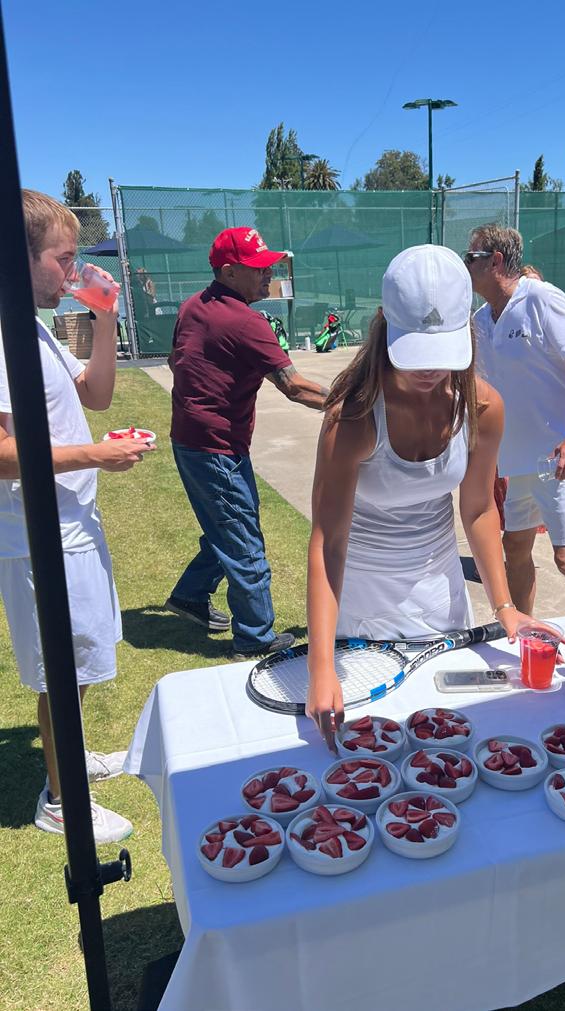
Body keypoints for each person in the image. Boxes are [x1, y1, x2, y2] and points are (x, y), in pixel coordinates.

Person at [305, 245, 557, 750]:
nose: (430, 371)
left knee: (446, 745)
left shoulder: (483, 407)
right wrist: (321, 666)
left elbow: (478, 508)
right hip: (362, 601)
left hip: (442, 599)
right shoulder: (352, 418)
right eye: (416, 352)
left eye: (442, 352)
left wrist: (504, 606)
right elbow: (328, 543)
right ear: (384, 323)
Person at [0, 190, 154, 842]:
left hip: (69, 523)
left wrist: (105, 318)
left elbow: (95, 392)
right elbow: (3, 455)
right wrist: (96, 453)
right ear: (19, 257)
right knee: (62, 668)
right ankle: (61, 800)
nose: (72, 271)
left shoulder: (32, 325)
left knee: (84, 655)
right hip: (38, 534)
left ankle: (71, 757)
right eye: (62, 259)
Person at [167, 227, 329, 660]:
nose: (268, 274)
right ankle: (255, 637)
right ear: (228, 272)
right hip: (216, 447)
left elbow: (175, 361)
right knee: (244, 542)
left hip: (190, 440)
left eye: (269, 265)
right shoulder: (247, 322)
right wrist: (358, 404)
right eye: (258, 268)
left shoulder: (191, 306)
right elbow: (295, 387)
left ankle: (189, 594)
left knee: (229, 524)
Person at [467, 224, 565, 615]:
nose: (466, 266)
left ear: (495, 261)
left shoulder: (542, 298)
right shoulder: (480, 320)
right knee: (514, 549)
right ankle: (523, 631)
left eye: (471, 258)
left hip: (562, 459)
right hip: (517, 463)